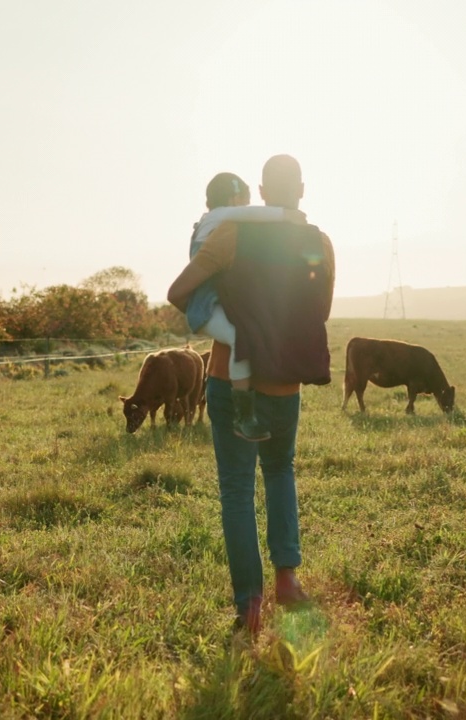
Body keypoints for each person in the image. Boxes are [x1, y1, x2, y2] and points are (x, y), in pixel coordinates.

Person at [167, 154, 335, 635]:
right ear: (301, 189)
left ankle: (249, 606)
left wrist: (226, 314)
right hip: (285, 383)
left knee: (237, 492)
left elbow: (180, 290)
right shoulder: (319, 242)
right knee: (281, 471)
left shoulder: (231, 235)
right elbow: (317, 312)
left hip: (228, 380)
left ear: (260, 192)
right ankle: (288, 580)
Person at [185, 172, 306, 442]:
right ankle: (243, 416)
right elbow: (257, 216)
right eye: (246, 201)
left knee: (241, 335)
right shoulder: (219, 217)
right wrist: (286, 215)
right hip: (205, 306)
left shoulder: (211, 220)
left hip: (211, 303)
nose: (246, 208)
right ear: (234, 198)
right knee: (240, 340)